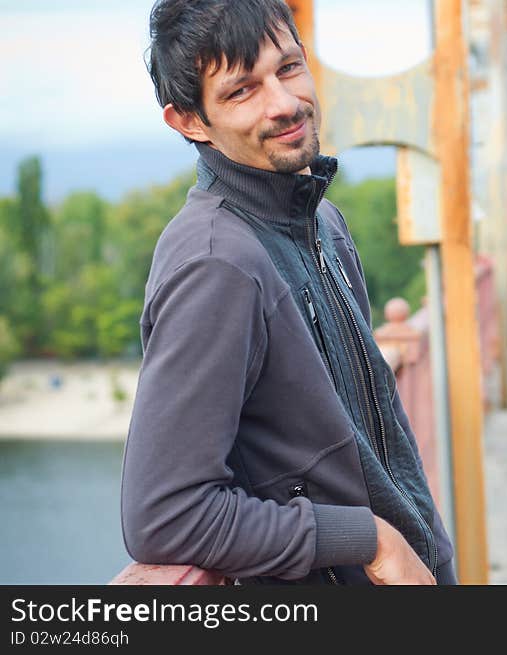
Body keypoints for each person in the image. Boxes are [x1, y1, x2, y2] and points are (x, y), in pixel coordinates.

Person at [120, 0, 456, 585]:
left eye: (289, 68)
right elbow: (165, 514)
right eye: (241, 90)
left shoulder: (322, 222)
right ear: (189, 121)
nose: (284, 103)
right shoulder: (217, 264)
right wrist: (370, 539)